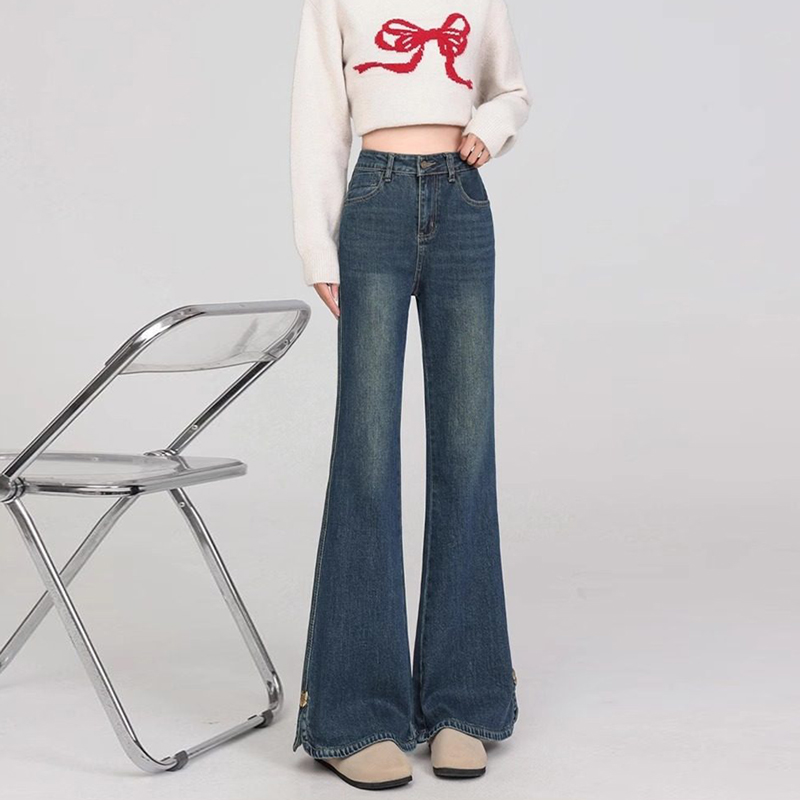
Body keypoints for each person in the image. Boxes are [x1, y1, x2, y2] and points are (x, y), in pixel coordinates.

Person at [289, 0, 531, 789]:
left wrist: (490, 126)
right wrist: (317, 243)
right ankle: (353, 713)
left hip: (462, 203)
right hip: (376, 202)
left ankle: (466, 702)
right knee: (366, 453)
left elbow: (510, 88)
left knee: (466, 448)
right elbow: (318, 113)